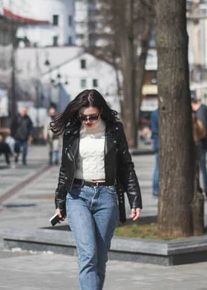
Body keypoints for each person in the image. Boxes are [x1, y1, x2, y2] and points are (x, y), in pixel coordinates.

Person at [52, 89, 142, 290]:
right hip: (77, 196)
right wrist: (59, 201)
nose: (88, 121)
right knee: (88, 254)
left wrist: (135, 199)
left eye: (92, 116)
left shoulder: (114, 130)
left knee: (100, 259)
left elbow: (126, 165)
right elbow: (65, 169)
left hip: (107, 196)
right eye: (83, 117)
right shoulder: (72, 131)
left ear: (101, 111)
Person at [150, 109, 159, 197]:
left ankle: (155, 189)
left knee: (158, 167)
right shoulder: (159, 114)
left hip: (157, 143)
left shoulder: (154, 113)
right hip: (161, 143)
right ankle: (156, 188)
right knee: (158, 168)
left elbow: (154, 130)